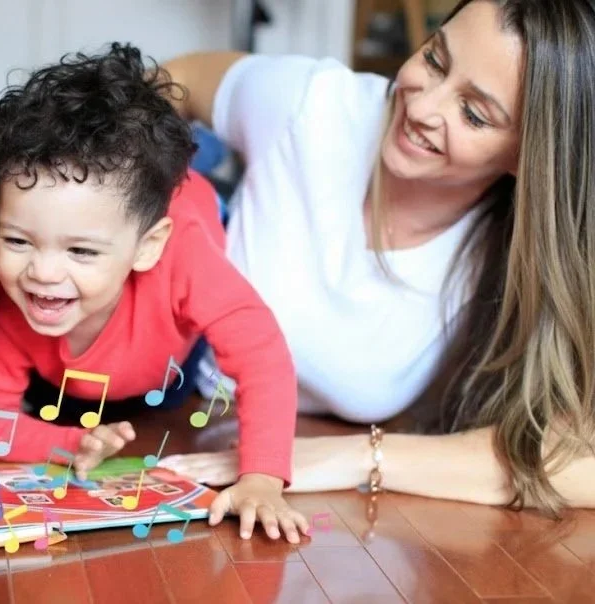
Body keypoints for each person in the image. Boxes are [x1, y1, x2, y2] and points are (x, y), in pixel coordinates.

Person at [157, 0, 595, 514]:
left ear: (529, 155)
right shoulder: (311, 104)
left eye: (474, 113)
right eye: (434, 59)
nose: (423, 108)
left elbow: (578, 459)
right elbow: (176, 78)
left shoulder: (520, 254)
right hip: (165, 407)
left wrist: (359, 457)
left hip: (295, 472)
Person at [0, 43, 308, 543]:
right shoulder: (14, 297)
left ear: (146, 248)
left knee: (176, 383)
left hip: (173, 329)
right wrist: (70, 442)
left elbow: (262, 356)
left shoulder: (182, 259)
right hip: (82, 380)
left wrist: (263, 478)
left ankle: (205, 158)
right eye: (16, 240)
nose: (42, 273)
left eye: (80, 250)